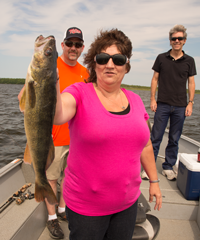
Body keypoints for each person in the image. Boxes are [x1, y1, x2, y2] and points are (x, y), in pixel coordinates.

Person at [54, 28, 162, 240]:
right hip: (86, 209)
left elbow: (146, 145)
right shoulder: (79, 92)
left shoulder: (136, 100)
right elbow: (57, 115)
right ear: (94, 63)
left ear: (126, 66)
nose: (110, 64)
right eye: (103, 58)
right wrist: (49, 79)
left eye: (118, 59)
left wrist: (155, 181)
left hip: (128, 203)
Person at [18, 27, 89, 239]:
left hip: (77, 138)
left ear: (82, 47)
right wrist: (29, 83)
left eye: (77, 44)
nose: (73, 48)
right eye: (70, 43)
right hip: (53, 138)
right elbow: (23, 100)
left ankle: (61, 209)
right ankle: (52, 218)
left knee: (70, 176)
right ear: (63, 46)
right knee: (51, 177)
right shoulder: (51, 67)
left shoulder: (85, 73)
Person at [143, 25, 196, 181]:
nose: (177, 41)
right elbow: (155, 79)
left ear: (184, 41)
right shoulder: (161, 58)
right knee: (156, 136)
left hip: (181, 106)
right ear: (170, 41)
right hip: (162, 105)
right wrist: (153, 99)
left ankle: (168, 167)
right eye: (174, 39)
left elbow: (191, 83)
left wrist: (191, 102)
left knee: (174, 138)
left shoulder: (190, 61)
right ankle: (149, 167)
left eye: (180, 38)